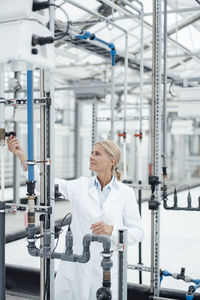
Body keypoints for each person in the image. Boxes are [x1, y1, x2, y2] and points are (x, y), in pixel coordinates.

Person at [7, 136, 144, 300]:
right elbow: (43, 185)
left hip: (107, 269)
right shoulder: (80, 186)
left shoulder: (125, 193)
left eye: (97, 154)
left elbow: (138, 232)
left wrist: (113, 231)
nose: (91, 156)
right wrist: (22, 157)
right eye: (92, 152)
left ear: (112, 161)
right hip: (76, 265)